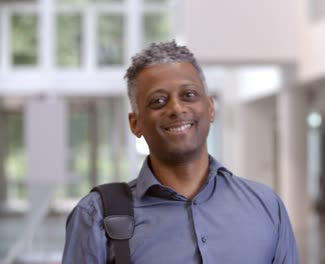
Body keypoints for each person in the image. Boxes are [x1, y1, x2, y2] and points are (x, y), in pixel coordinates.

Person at [62, 40, 300, 264]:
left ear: (210, 108)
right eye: (158, 101)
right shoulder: (95, 216)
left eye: (188, 95)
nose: (176, 108)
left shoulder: (266, 206)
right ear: (136, 124)